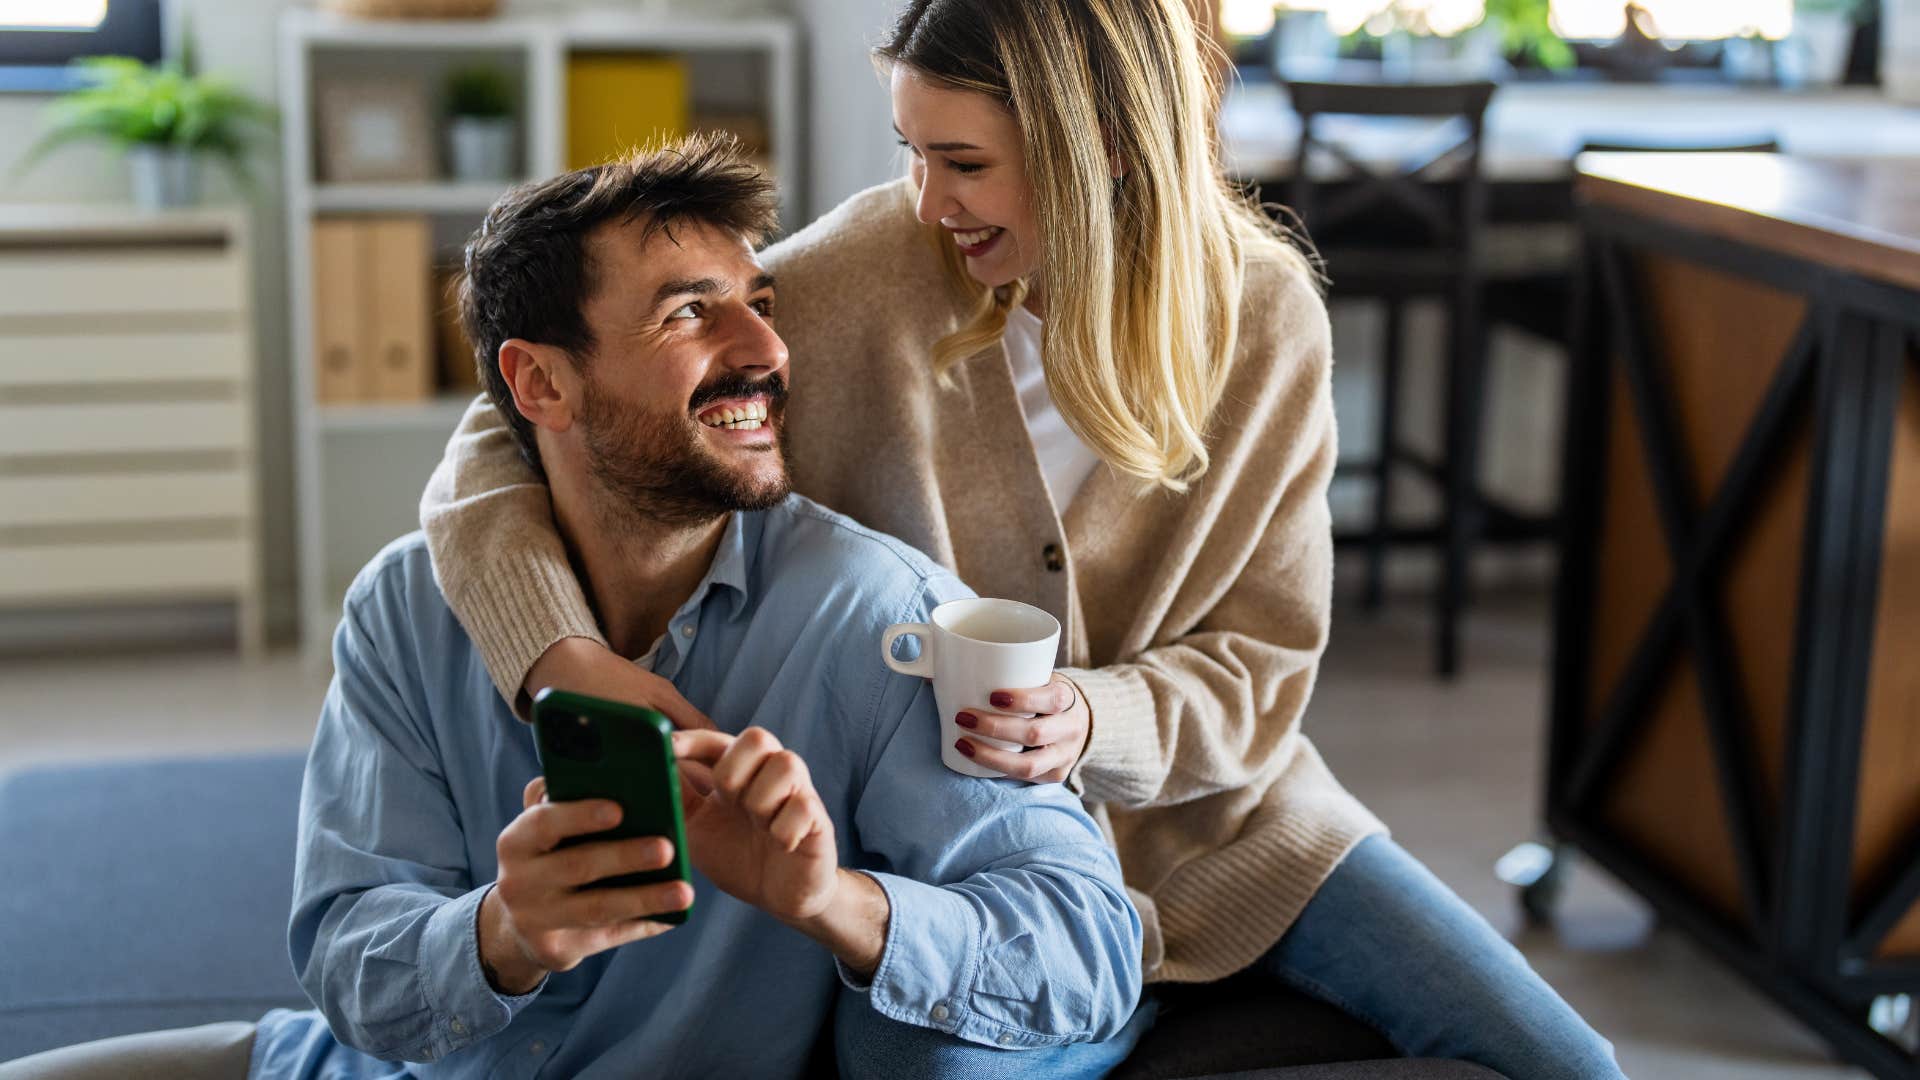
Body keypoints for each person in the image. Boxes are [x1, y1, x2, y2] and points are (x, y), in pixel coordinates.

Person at [418, 2, 1627, 1077]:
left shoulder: (1266, 323)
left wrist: (1094, 718)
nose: (927, 199)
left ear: (1100, 148)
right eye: (913, 153)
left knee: (1568, 1062)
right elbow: (512, 422)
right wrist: (559, 652)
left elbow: (1263, 666)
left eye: (964, 163)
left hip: (1236, 835)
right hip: (971, 870)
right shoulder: (867, 275)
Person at [0, 137, 1145, 1080]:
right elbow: (348, 961)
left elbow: (1088, 949)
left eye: (760, 304)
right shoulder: (406, 609)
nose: (766, 349)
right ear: (541, 382)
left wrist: (835, 901)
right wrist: (505, 934)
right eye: (689, 314)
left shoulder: (874, 619)